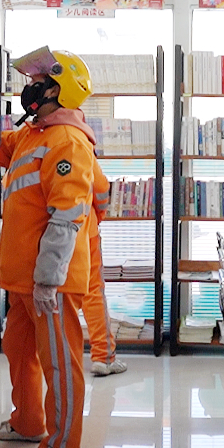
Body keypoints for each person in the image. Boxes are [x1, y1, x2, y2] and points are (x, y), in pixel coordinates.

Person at [0, 46, 97, 448]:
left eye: (37, 83)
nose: (29, 89)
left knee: (59, 364)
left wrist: (48, 279)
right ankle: (28, 422)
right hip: (21, 280)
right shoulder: (33, 135)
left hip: (49, 282)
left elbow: (67, 216)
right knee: (18, 351)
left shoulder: (67, 141)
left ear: (58, 90)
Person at [83, 160, 127, 377]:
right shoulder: (80, 145)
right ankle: (103, 357)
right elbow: (101, 189)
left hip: (44, 236)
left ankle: (61, 358)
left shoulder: (31, 145)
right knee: (93, 294)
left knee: (56, 299)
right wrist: (97, 217)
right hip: (84, 232)